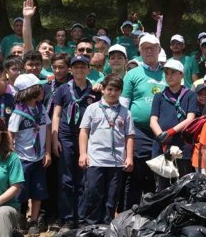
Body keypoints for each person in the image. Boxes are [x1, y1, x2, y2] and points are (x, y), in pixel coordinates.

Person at [50, 54, 97, 228]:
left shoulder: (94, 91)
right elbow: (56, 114)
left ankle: (82, 217)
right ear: (71, 70)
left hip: (87, 137)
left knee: (84, 178)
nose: (79, 70)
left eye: (83, 67)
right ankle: (68, 218)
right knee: (66, 178)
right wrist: (55, 139)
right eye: (76, 67)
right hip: (66, 136)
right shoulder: (63, 89)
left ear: (88, 70)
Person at [79, 74, 134, 224]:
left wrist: (129, 157)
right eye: (109, 89)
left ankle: (106, 228)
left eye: (117, 90)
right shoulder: (92, 108)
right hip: (95, 160)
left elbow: (129, 136)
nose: (113, 93)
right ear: (103, 89)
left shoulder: (125, 112)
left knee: (111, 198)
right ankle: (90, 227)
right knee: (93, 195)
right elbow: (84, 131)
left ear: (121, 92)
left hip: (116, 162)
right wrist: (83, 154)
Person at [121, 34, 164, 209]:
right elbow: (124, 105)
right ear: (139, 50)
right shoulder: (132, 74)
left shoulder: (167, 73)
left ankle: (154, 212)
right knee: (136, 172)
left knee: (158, 173)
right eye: (145, 47)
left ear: (159, 50)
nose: (149, 51)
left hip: (162, 132)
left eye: (153, 47)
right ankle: (130, 212)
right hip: (138, 130)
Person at [8, 74, 49, 235]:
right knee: (21, 191)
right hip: (22, 158)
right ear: (30, 91)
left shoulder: (41, 108)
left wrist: (47, 152)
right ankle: (20, 220)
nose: (43, 89)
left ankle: (34, 220)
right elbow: (11, 135)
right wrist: (12, 157)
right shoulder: (18, 113)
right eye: (39, 87)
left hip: (39, 157)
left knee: (38, 190)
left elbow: (47, 131)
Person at [149, 59, 198, 181]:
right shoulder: (159, 96)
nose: (169, 76)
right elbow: (153, 120)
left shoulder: (190, 95)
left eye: (173, 72)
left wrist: (170, 132)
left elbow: (190, 119)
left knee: (182, 182)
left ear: (182, 74)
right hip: (162, 146)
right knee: (162, 185)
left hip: (182, 146)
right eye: (166, 73)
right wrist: (161, 136)